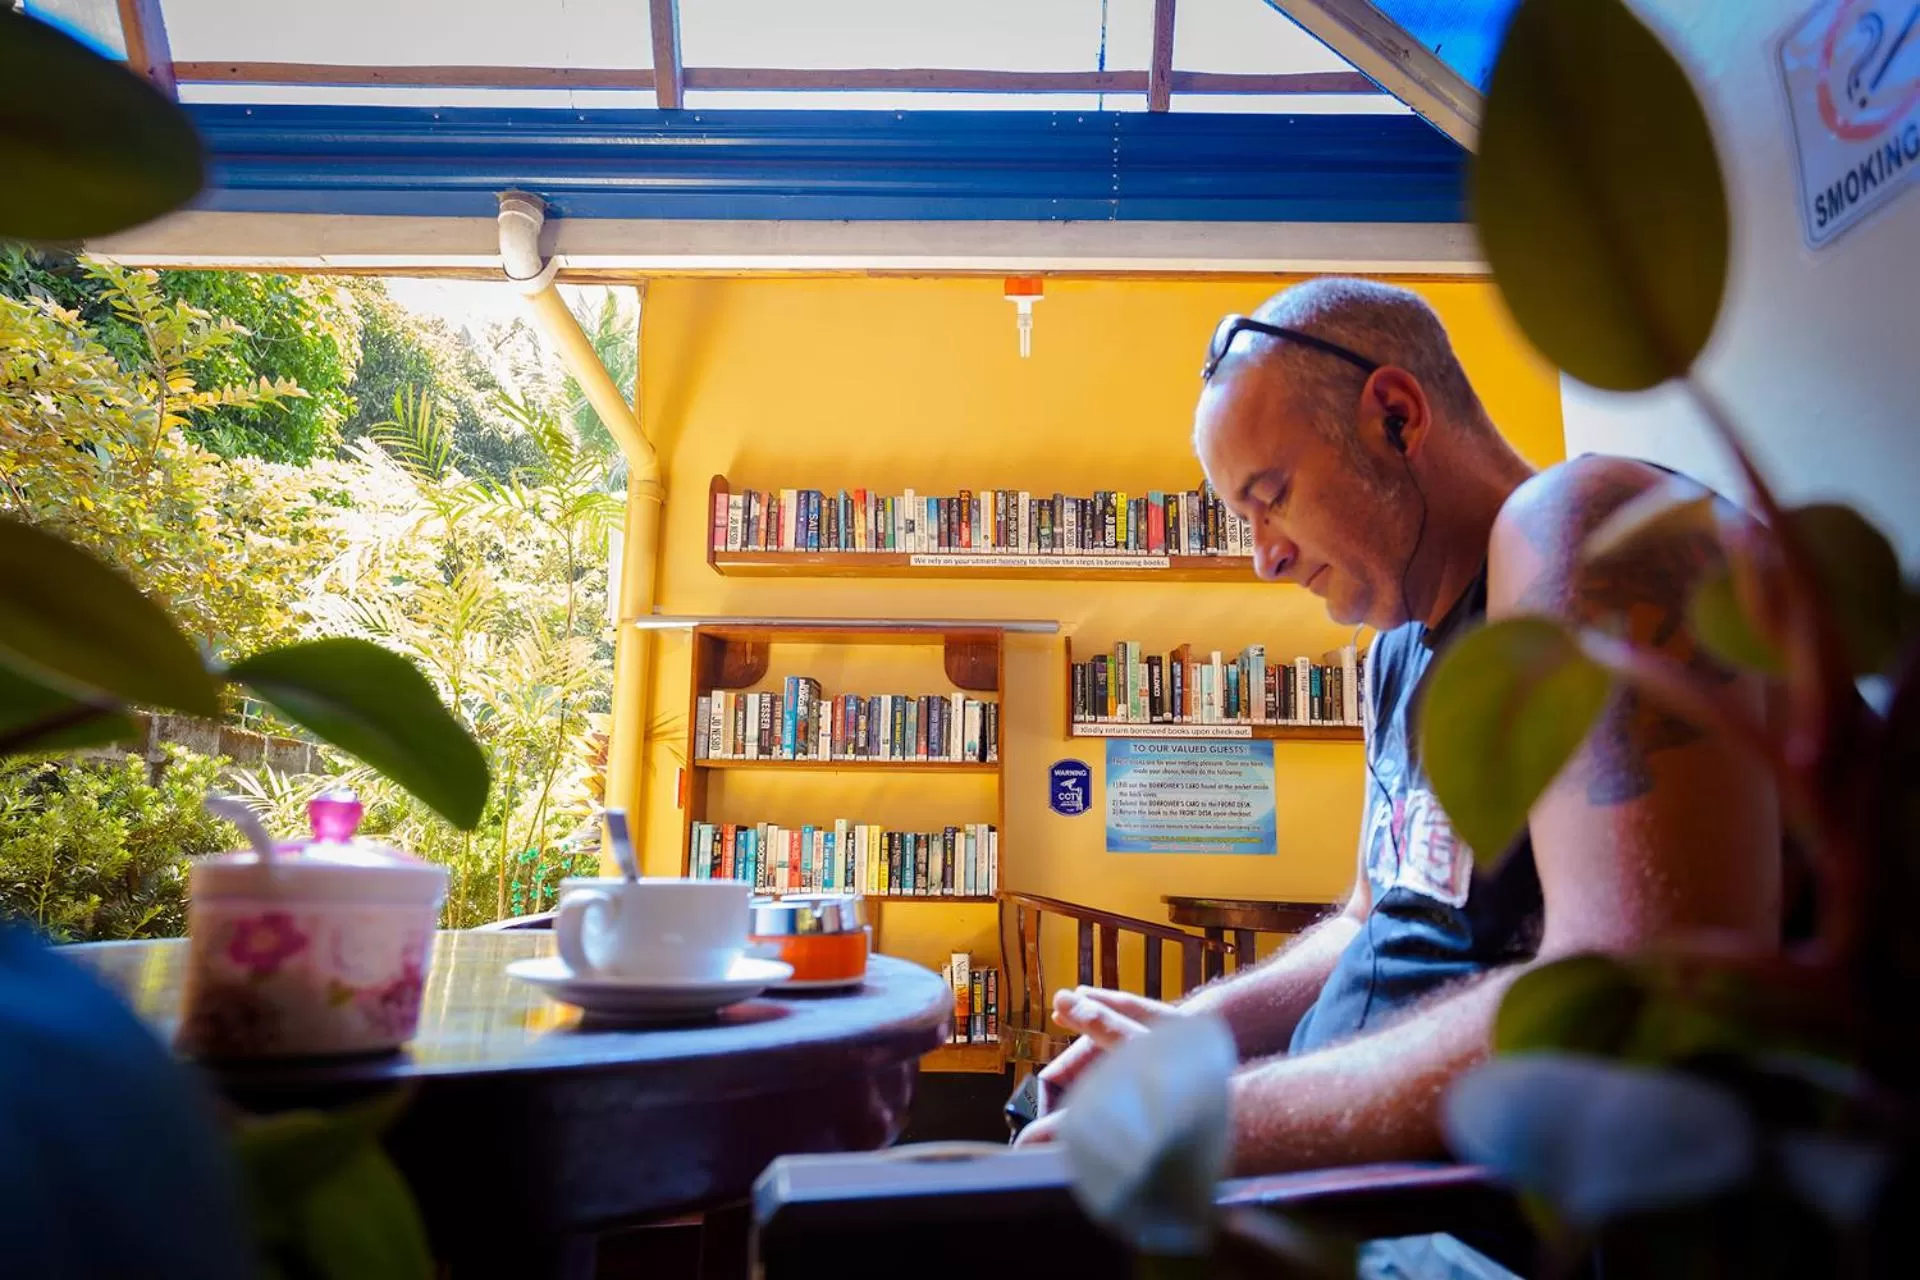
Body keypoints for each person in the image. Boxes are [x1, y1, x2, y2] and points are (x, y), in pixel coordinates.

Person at [1014, 279, 1781, 1178]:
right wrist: (1196, 1032)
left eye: (1274, 497)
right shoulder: (1393, 654)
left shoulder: (1579, 526)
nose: (1266, 557)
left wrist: (1221, 1120)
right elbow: (1369, 920)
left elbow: (1628, 986)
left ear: (1395, 416)